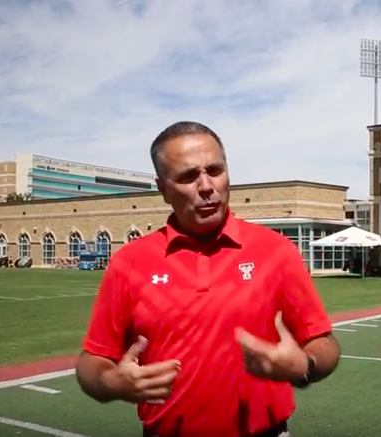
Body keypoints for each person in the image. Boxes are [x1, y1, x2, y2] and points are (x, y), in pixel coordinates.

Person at [75, 121, 341, 437]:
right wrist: (111, 382)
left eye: (215, 170)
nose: (206, 186)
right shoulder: (129, 262)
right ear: (163, 189)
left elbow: (324, 343)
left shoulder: (276, 251)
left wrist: (305, 366)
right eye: (188, 176)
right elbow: (92, 360)